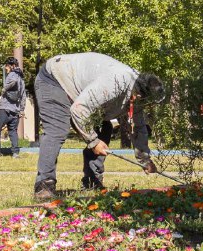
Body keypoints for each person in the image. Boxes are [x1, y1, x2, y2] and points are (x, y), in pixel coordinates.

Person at [33, 52, 164, 201]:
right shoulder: (115, 83)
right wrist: (93, 141)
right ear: (138, 96)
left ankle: (91, 181)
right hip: (55, 80)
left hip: (79, 92)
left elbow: (137, 126)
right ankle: (44, 185)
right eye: (150, 103)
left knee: (104, 127)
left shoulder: (139, 88)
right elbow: (79, 109)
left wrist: (144, 159)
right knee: (57, 130)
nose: (150, 107)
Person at [0, 57, 26, 158]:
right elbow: (23, 96)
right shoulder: (21, 79)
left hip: (4, 109)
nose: (6, 68)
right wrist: (22, 109)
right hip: (15, 110)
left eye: (7, 65)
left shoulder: (11, 75)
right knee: (13, 131)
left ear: (12, 66)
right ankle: (15, 153)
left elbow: (13, 82)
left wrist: (4, 88)